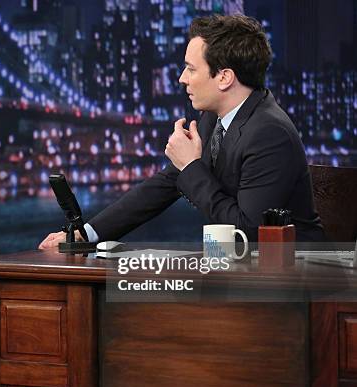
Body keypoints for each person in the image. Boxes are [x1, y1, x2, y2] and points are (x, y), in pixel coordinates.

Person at [39, 14, 324, 249]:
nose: (181, 79)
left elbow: (248, 232)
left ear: (224, 77)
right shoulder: (214, 118)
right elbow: (165, 185)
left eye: (190, 69)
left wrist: (190, 165)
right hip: (239, 269)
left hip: (293, 281)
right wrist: (86, 234)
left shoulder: (269, 133)